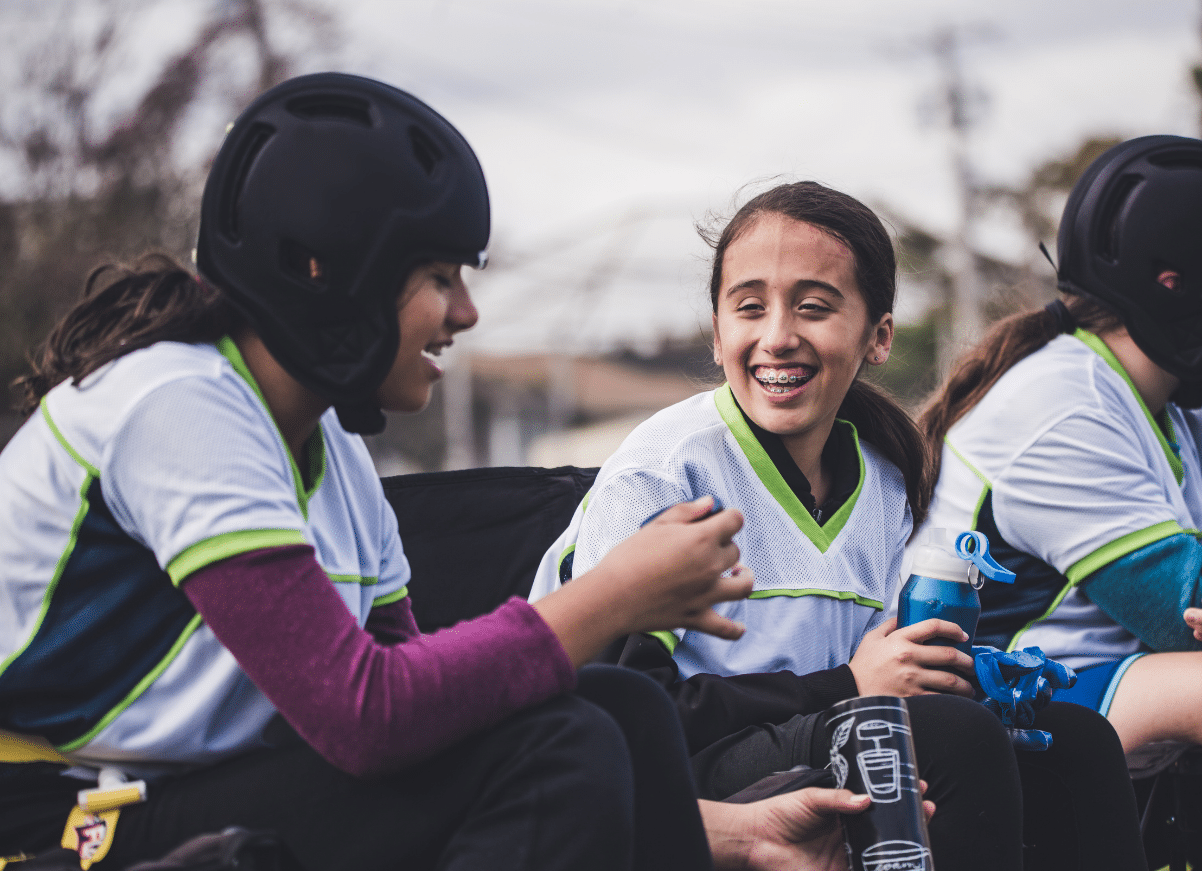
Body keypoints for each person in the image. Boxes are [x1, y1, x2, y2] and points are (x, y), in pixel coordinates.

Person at [0, 72, 880, 871]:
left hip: (197, 794)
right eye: (436, 275)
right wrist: (612, 597)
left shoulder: (333, 452)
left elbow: (428, 708)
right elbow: (368, 718)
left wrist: (734, 833)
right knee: (557, 751)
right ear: (324, 275)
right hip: (55, 820)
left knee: (618, 709)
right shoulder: (178, 406)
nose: (464, 311)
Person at [531, 180, 1146, 868]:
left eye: (814, 308)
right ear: (716, 332)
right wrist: (851, 688)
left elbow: (882, 672)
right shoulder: (666, 473)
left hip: (810, 733)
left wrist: (949, 672)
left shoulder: (885, 480)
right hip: (659, 769)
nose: (777, 337)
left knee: (1074, 737)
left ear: (877, 336)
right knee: (945, 737)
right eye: (749, 308)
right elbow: (623, 715)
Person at [917, 134, 1202, 763]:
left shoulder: (1163, 404)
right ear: (1176, 284)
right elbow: (1181, 615)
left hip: (1085, 685)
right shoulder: (1066, 404)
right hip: (995, 708)